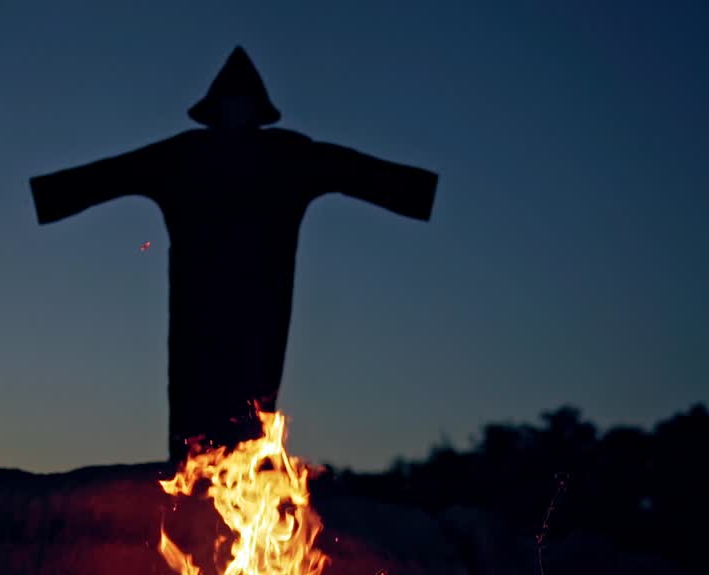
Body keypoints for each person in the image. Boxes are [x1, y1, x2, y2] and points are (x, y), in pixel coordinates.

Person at [30, 47, 438, 461]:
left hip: (262, 310)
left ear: (258, 111)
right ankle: (190, 501)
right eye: (231, 104)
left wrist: (420, 192)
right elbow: (116, 173)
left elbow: (349, 168)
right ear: (215, 110)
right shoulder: (182, 157)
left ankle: (242, 504)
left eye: (244, 104)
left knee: (251, 411)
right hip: (196, 310)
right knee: (193, 416)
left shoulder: (287, 156)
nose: (237, 112)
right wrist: (46, 196)